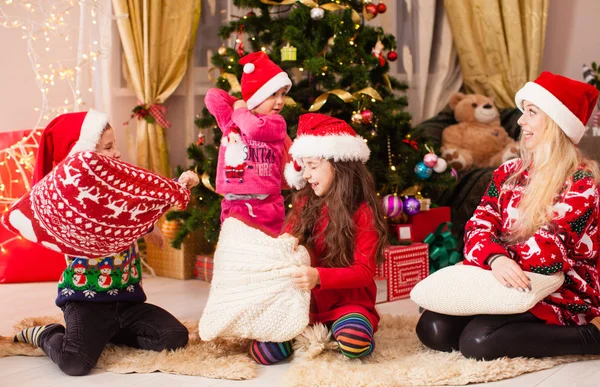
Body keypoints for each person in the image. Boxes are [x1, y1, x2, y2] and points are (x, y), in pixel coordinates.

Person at [416, 72, 600, 360]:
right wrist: (495, 258)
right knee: (432, 328)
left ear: (555, 121)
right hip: (502, 278)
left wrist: (496, 255)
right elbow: (476, 226)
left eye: (531, 112)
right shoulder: (507, 173)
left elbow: (547, 255)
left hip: (558, 291)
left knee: (479, 341)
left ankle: (590, 338)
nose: (520, 121)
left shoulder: (582, 181)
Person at [13, 109, 199, 376]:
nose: (117, 153)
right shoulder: (70, 206)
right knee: (75, 363)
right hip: (86, 302)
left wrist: (175, 189)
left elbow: (140, 200)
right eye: (108, 148)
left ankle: (107, 335)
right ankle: (48, 334)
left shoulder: (117, 192)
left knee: (174, 336)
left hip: (127, 302)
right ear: (82, 157)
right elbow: (106, 219)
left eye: (115, 145)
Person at [247, 113, 388, 365]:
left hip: (349, 302)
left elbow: (364, 272)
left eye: (313, 166)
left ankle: (340, 328)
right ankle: (311, 332)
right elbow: (287, 240)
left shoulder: (363, 211)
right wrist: (288, 241)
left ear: (340, 164)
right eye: (304, 166)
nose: (307, 175)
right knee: (263, 353)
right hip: (306, 306)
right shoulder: (304, 201)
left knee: (355, 342)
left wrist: (319, 276)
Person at [204, 51, 292, 236]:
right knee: (236, 250)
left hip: (265, 204)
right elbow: (213, 97)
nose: (280, 101)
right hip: (233, 202)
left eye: (283, 94)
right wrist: (243, 102)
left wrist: (242, 110)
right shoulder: (233, 119)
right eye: (273, 94)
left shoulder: (275, 122)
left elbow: (254, 129)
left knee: (266, 251)